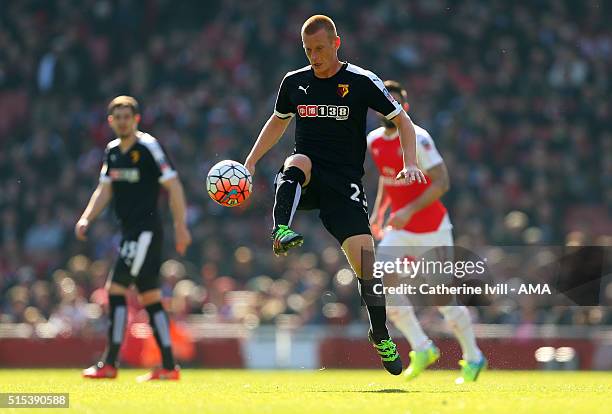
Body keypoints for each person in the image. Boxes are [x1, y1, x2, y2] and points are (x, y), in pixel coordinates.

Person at [244, 15, 425, 375]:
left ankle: (380, 333)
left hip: (344, 185)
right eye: (308, 50)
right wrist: (250, 162)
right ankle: (281, 228)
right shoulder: (294, 83)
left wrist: (411, 162)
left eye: (321, 49)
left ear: (336, 44)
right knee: (296, 160)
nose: (315, 56)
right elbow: (278, 121)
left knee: (366, 267)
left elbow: (402, 120)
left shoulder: (360, 81)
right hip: (309, 174)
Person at [367, 80, 487, 383]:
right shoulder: (374, 141)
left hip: (431, 229)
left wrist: (408, 210)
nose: (390, 107)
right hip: (399, 229)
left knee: (441, 298)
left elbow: (442, 181)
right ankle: (421, 347)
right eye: (385, 101)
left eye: (395, 101)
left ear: (404, 106)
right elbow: (387, 177)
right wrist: (379, 210)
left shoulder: (418, 138)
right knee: (381, 284)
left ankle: (473, 357)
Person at [76, 96, 192, 381]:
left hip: (145, 232)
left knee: (115, 290)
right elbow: (104, 190)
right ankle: (168, 366)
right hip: (130, 232)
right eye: (118, 117)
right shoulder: (112, 151)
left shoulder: (149, 147)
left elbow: (173, 185)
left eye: (128, 116)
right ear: (111, 121)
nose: (123, 121)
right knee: (150, 297)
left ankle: (110, 363)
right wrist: (87, 217)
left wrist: (181, 226)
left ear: (137, 119)